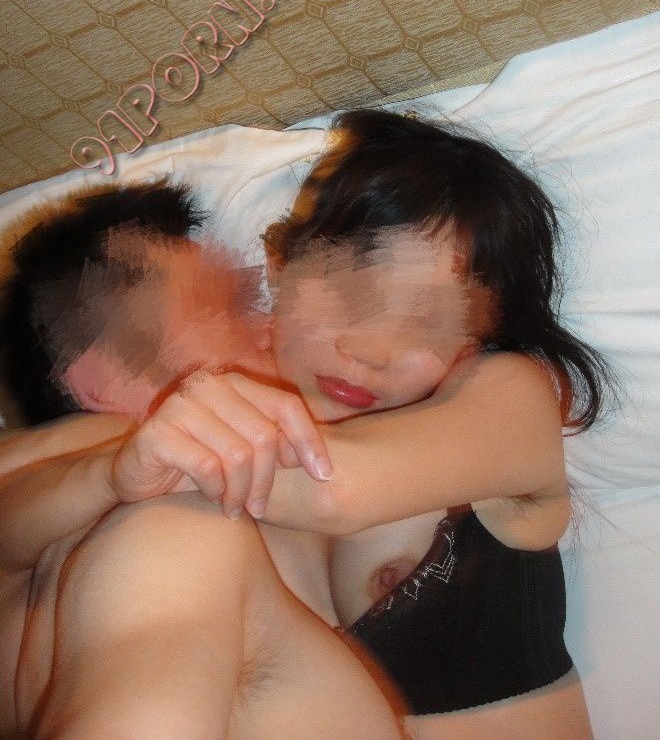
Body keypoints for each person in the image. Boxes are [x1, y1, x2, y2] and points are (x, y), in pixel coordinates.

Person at [1, 109, 613, 737]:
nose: (371, 349)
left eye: (432, 322)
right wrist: (112, 471)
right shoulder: (145, 456)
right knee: (168, 532)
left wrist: (154, 463)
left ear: (479, 341)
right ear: (279, 269)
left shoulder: (508, 398)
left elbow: (335, 489)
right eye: (350, 295)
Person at [0, 182, 403, 739]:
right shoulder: (67, 499)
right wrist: (107, 472)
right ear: (106, 375)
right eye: (225, 309)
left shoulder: (302, 486)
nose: (269, 327)